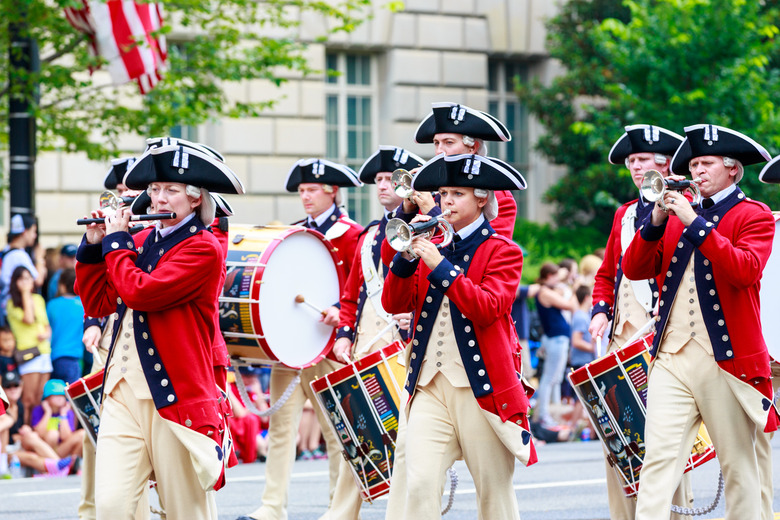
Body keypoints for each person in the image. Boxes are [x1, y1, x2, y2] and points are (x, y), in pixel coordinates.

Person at [75, 139, 245, 519]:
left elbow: (142, 293)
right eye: (154, 190)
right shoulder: (136, 241)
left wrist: (116, 243)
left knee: (185, 510)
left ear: (196, 198)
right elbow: (98, 302)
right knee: (112, 506)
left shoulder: (203, 249)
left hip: (175, 394)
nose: (159, 200)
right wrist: (92, 247)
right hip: (121, 390)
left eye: (171, 191)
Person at [622, 124, 778, 520]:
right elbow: (635, 268)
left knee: (739, 467)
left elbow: (744, 270)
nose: (697, 171)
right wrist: (655, 219)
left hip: (726, 360)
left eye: (706, 163)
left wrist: (693, 221)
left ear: (733, 170)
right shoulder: (674, 216)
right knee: (656, 461)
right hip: (672, 356)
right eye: (693, 164)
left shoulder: (753, 214)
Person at [381, 153, 535, 520]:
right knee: (417, 486)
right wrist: (405, 257)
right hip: (429, 385)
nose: (445, 201)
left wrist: (439, 265)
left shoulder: (502, 250)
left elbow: (486, 308)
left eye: (457, 194)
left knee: (494, 495)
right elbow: (392, 302)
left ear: (482, 199)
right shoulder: (430, 242)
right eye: (443, 192)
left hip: (480, 389)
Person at [237, 158, 363, 520]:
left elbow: (361, 287)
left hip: (328, 347)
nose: (305, 197)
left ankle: (335, 508)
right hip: (289, 347)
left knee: (335, 432)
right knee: (280, 429)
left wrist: (342, 311)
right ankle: (272, 506)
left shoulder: (352, 235)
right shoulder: (293, 234)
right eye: (302, 191)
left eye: (312, 190)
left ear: (332, 191)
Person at [587, 124, 696, 519]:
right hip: (621, 339)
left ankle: (674, 512)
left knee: (667, 437)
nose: (635, 167)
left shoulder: (686, 206)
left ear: (665, 163)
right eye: (631, 161)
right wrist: (599, 311)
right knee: (617, 433)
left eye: (643, 160)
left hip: (661, 337)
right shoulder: (624, 214)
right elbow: (606, 274)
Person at [315, 145, 422, 520]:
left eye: (389, 180)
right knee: (358, 430)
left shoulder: (422, 228)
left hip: (403, 345)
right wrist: (344, 333)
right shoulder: (369, 234)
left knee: (411, 439)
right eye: (377, 181)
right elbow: (352, 293)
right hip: (367, 345)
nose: (381, 187)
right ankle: (341, 512)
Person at [532, 262, 577, 428]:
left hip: (557, 338)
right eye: (556, 276)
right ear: (549, 276)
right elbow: (570, 305)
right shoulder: (544, 292)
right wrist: (573, 288)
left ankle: (550, 413)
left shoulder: (546, 291)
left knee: (555, 378)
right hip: (556, 339)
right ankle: (543, 415)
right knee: (549, 378)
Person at [7, 266, 52, 425]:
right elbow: (29, 318)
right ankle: (24, 430)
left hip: (44, 351)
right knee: (28, 399)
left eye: (29, 278)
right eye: (22, 279)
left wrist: (46, 334)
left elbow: (46, 325)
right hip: (28, 353)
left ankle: (35, 433)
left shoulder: (38, 299)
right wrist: (26, 293)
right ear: (15, 282)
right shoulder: (12, 304)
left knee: (40, 398)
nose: (27, 282)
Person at [0, 215, 46, 324]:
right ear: (25, 232)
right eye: (33, 231)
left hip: (8, 308)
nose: (34, 236)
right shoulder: (19, 255)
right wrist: (39, 258)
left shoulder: (6, 250)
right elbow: (38, 280)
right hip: (18, 309)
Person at [46, 268, 85, 384]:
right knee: (71, 399)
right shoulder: (83, 307)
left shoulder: (52, 305)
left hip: (53, 357)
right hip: (73, 359)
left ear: (62, 286)